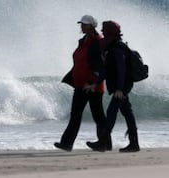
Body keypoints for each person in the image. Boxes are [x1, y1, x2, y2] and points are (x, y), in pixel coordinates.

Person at [54, 15, 108, 151]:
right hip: (80, 85)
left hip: (92, 86)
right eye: (81, 24)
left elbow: (99, 65)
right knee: (76, 114)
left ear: (91, 26)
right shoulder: (83, 40)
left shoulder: (97, 41)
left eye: (85, 24)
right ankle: (66, 143)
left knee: (98, 116)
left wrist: (92, 82)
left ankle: (104, 143)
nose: (82, 26)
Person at [87, 21, 140, 152]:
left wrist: (120, 89)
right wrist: (96, 83)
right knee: (127, 112)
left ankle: (103, 142)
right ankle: (134, 144)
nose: (103, 32)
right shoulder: (110, 46)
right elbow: (106, 70)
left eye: (104, 30)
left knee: (112, 112)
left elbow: (121, 69)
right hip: (120, 85)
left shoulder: (117, 47)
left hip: (122, 85)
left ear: (110, 31)